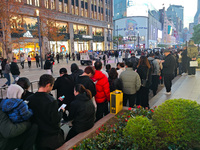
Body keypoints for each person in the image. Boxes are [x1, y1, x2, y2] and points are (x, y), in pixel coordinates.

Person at [27, 74, 65, 150]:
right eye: (52, 86)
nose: (52, 88)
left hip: (37, 135)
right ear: (48, 85)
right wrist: (61, 111)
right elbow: (55, 119)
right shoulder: (51, 101)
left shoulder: (30, 99)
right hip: (50, 136)